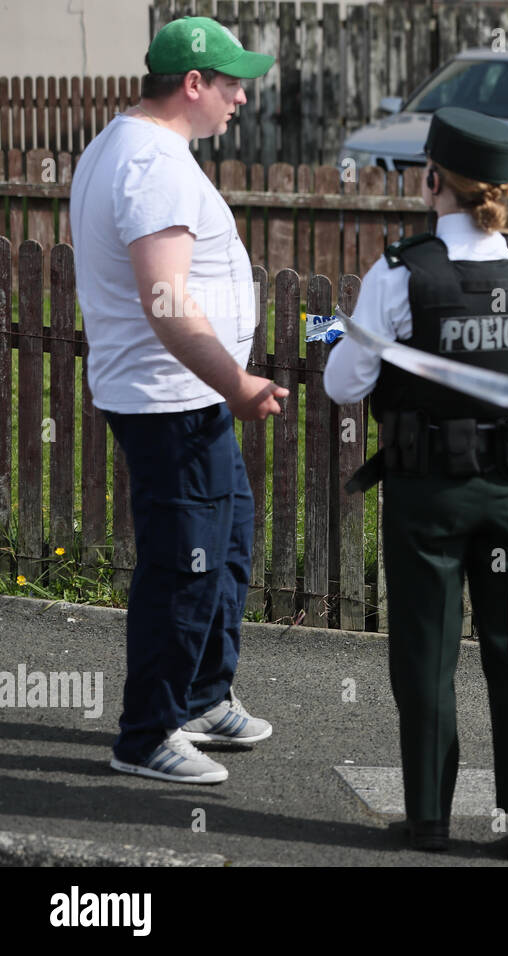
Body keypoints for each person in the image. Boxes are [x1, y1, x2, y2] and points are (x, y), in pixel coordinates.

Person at [323, 107, 508, 860]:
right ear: (502, 188)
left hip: (428, 494)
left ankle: (429, 818)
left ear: (432, 178)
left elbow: (346, 385)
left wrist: (346, 335)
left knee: (425, 651)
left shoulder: (400, 272)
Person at [70, 16, 286, 785]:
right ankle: (146, 734)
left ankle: (200, 695)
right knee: (185, 563)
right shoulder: (152, 164)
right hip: (172, 403)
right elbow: (165, 299)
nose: (240, 100)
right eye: (231, 85)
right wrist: (239, 383)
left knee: (225, 545)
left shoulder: (130, 147)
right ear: (192, 84)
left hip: (189, 400)